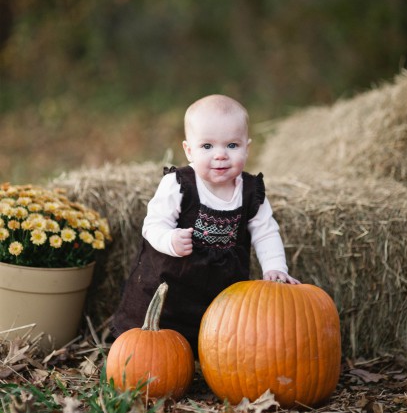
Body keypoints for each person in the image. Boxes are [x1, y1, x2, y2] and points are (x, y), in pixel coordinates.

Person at [111, 94, 299, 352]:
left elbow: (266, 232)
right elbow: (152, 225)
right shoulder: (179, 184)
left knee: (218, 334)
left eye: (232, 146)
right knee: (155, 337)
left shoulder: (250, 192)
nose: (220, 155)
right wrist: (170, 240)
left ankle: (211, 358)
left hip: (222, 286)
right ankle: (147, 353)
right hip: (171, 282)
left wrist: (275, 267)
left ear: (247, 147)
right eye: (207, 147)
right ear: (189, 150)